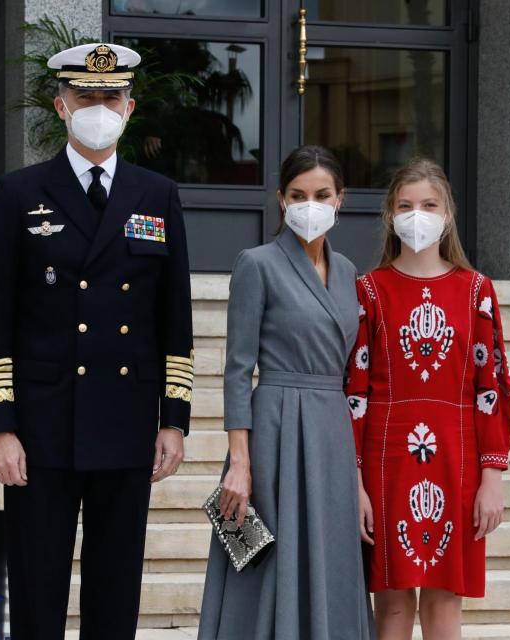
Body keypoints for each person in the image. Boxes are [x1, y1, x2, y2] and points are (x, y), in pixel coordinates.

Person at [0, 42, 194, 640]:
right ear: (61, 105)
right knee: (37, 587)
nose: (99, 108)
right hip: (42, 425)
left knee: (115, 589)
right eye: (85, 96)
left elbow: (174, 318)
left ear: (129, 108)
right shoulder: (21, 192)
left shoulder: (157, 194)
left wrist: (173, 420)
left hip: (126, 420)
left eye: (110, 98)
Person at [199, 145, 375, 639]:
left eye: (321, 194)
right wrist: (239, 463)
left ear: (340, 199)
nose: (309, 205)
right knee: (268, 562)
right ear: (281, 199)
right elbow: (238, 370)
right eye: (298, 195)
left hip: (332, 432)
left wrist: (359, 473)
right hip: (275, 429)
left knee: (330, 558)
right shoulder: (256, 264)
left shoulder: (349, 273)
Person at [345, 158, 510, 639]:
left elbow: (492, 388)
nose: (416, 215)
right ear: (389, 215)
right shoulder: (368, 291)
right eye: (405, 205)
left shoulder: (477, 291)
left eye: (428, 205)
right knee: (392, 605)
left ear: (447, 214)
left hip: (457, 460)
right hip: (386, 460)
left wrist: (492, 476)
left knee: (444, 603)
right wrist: (355, 481)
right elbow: (353, 392)